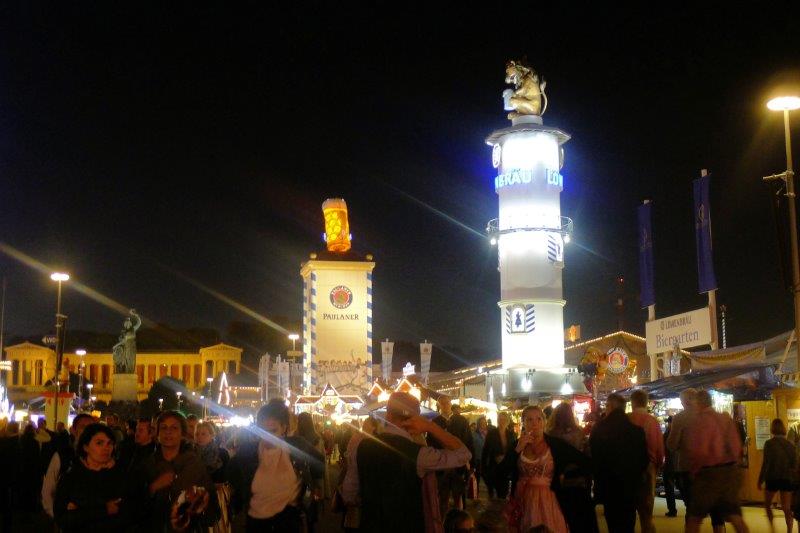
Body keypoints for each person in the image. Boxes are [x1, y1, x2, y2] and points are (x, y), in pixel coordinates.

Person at [357, 392, 472, 532]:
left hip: (370, 525)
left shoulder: (363, 445)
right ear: (416, 419)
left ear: (388, 414)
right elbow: (464, 454)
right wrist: (431, 427)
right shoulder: (419, 454)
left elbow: (352, 489)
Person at [227, 399, 324, 531]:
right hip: (257, 522)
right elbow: (230, 473)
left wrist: (310, 488)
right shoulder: (248, 451)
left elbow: (319, 462)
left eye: (273, 430)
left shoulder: (297, 445)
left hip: (289, 521)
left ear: (283, 427)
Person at [506, 405, 593, 533]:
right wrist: (517, 451)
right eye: (529, 420)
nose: (534, 423)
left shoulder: (555, 445)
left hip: (549, 501)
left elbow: (584, 462)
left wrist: (565, 476)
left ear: (544, 421)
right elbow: (500, 472)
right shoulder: (516, 445)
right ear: (523, 423)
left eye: (539, 419)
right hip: (522, 501)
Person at [135, 410, 218, 531]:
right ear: (157, 434)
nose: (168, 432)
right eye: (163, 428)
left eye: (174, 428)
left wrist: (199, 502)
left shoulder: (194, 465)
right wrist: (153, 487)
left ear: (183, 434)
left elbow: (213, 509)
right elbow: (133, 505)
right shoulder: (147, 465)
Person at [683, 390, 749, 533]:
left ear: (698, 403)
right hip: (730, 471)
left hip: (709, 474)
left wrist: (694, 470)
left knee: (694, 517)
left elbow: (701, 451)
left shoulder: (700, 421)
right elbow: (737, 447)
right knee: (735, 515)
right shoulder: (725, 419)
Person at [53, 423, 130, 532]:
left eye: (110, 443)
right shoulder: (71, 478)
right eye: (99, 443)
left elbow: (126, 513)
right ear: (85, 447)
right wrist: (104, 510)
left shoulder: (120, 475)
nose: (106, 448)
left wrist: (80, 510)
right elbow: (63, 519)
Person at [589, 393, 648, 533]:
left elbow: (594, 458)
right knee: (628, 521)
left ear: (609, 406)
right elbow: (644, 459)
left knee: (613, 521)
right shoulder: (636, 431)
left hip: (608, 484)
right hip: (630, 484)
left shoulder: (599, 429)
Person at [544, 401, 598, 533]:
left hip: (559, 481)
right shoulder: (578, 432)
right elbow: (587, 455)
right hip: (578, 481)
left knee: (561, 517)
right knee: (581, 519)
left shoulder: (550, 434)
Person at [42, 413, 96, 518]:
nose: (88, 431)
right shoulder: (62, 456)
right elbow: (47, 491)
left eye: (91, 428)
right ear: (73, 430)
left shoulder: (100, 457)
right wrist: (58, 516)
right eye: (83, 427)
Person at [627, 389, 664, 533]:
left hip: (628, 466)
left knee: (628, 507)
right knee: (646, 510)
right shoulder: (652, 421)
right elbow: (658, 446)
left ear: (633, 402)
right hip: (648, 467)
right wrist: (659, 464)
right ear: (646, 402)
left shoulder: (627, 418)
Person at [340, 417, 378, 532]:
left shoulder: (356, 438)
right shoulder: (370, 442)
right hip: (358, 484)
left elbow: (348, 458)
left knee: (351, 518)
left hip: (351, 482)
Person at [759, 418, 796, 532]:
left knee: (767, 505)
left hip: (772, 478)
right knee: (787, 508)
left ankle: (772, 529)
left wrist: (760, 480)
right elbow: (794, 464)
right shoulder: (790, 445)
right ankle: (789, 530)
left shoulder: (769, 444)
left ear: (773, 428)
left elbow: (766, 463)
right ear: (783, 428)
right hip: (786, 478)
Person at [482, 412, 514, 499]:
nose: (502, 421)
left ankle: (501, 510)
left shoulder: (511, 434)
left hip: (505, 467)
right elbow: (486, 450)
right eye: (500, 419)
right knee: (492, 491)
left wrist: (506, 458)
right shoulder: (491, 433)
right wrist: (484, 467)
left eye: (504, 419)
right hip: (494, 466)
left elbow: (513, 450)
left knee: (503, 492)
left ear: (507, 421)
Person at [662, 416, 678, 517]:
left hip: (669, 464)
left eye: (669, 422)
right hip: (679, 463)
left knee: (669, 488)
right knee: (683, 487)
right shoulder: (680, 432)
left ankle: (672, 510)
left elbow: (663, 448)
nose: (668, 424)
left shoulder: (667, 434)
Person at [472, 417, 487, 493]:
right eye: (481, 423)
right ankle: (476, 493)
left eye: (484, 423)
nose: (483, 424)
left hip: (486, 459)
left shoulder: (488, 433)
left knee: (486, 477)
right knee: (477, 478)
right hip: (478, 459)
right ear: (478, 424)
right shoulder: (474, 434)